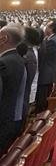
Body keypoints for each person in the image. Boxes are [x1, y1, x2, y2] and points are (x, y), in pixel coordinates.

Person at [0, 24, 27, 154]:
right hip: (11, 118)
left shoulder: (4, 62)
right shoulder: (17, 58)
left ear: (3, 38)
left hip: (3, 121)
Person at [35, 19, 56, 112]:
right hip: (50, 72)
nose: (45, 27)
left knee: (42, 99)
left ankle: (38, 118)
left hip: (46, 73)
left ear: (51, 28)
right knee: (43, 97)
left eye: (47, 26)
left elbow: (43, 55)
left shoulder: (53, 41)